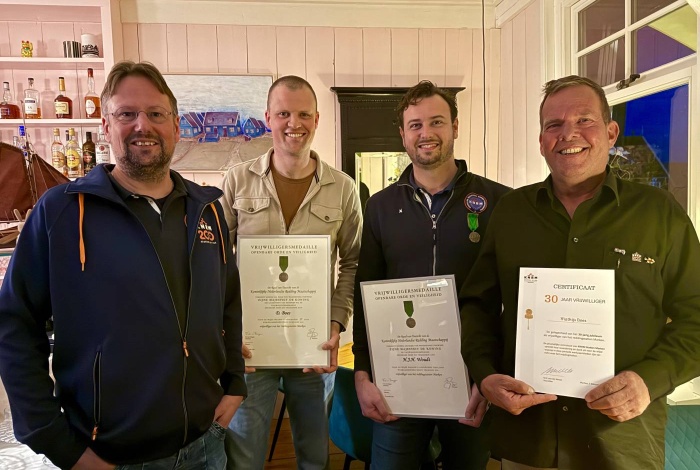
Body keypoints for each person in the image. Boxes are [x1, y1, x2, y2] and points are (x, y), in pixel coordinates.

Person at [0, 60, 247, 469]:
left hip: (206, 445)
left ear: (176, 126)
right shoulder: (61, 212)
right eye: (126, 114)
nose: (142, 125)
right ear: (106, 125)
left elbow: (229, 303)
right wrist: (55, 441)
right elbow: (14, 327)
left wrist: (236, 381)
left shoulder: (206, 209)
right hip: (108, 457)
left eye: (156, 114)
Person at [460, 75, 700, 470]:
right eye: (553, 124)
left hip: (621, 445)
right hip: (528, 440)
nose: (568, 133)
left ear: (610, 132)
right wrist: (484, 375)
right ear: (541, 141)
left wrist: (649, 381)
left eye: (584, 120)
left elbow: (696, 318)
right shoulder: (512, 213)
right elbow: (477, 306)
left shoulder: (659, 215)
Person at [351, 80, 510, 469]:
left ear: (455, 126)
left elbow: (511, 298)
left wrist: (491, 373)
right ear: (403, 134)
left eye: (436, 122)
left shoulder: (500, 202)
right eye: (416, 125)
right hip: (398, 380)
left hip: (472, 380)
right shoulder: (380, 207)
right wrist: (362, 371)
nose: (426, 133)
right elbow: (365, 290)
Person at [221, 75, 362, 470]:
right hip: (250, 348)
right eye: (283, 113)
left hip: (313, 346)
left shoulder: (343, 189)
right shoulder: (236, 180)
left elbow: (353, 261)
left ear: (317, 119)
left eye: (303, 114)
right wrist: (227, 329)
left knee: (315, 456)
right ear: (268, 118)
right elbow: (215, 260)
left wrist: (336, 322)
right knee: (244, 457)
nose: (293, 124)